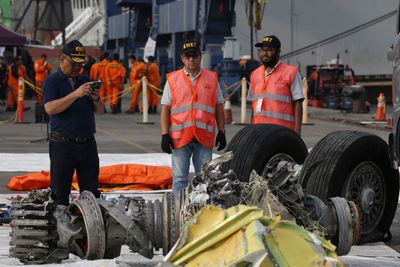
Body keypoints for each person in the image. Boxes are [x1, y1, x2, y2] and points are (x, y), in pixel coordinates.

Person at [42, 40, 104, 207]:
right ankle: (60, 229)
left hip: (87, 143)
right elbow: (50, 108)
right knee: (60, 193)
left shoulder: (84, 80)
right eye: (74, 63)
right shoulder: (52, 81)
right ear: (62, 59)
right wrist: (75, 94)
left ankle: (88, 228)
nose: (77, 68)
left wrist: (96, 98)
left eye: (81, 64)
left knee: (91, 193)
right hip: (63, 145)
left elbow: (100, 111)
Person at [160, 40, 226, 192]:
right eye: (188, 56)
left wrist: (222, 131)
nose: (191, 59)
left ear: (200, 57)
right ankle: (178, 212)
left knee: (205, 179)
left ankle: (204, 213)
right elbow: (166, 109)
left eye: (194, 55)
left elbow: (219, 106)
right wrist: (164, 134)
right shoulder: (173, 79)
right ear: (182, 58)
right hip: (180, 138)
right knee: (179, 180)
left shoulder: (212, 79)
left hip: (204, 138)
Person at [249, 35, 304, 135]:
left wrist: (297, 131)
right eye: (262, 50)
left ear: (278, 51)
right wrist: (250, 130)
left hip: (282, 132)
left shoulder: (291, 73)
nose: (264, 54)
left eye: (269, 50)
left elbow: (298, 103)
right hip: (258, 132)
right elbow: (253, 106)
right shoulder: (255, 74)